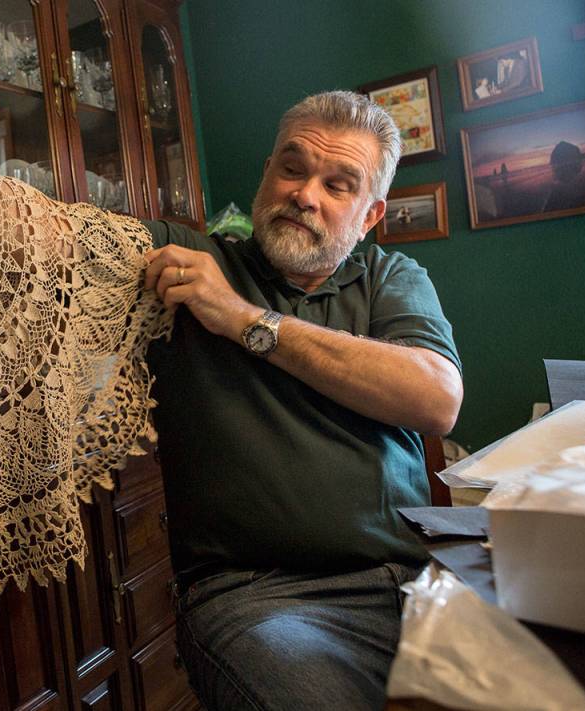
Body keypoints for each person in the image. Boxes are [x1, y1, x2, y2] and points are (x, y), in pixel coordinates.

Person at [137, 91, 463, 710]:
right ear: (267, 174)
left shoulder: (390, 277)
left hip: (413, 583)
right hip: (259, 599)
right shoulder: (194, 262)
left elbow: (436, 399)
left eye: (338, 185)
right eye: (292, 169)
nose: (305, 194)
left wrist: (244, 321)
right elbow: (35, 231)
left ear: (369, 216)